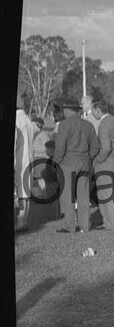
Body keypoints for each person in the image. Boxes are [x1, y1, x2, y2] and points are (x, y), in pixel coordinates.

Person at [52, 97, 99, 233]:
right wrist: (88, 159)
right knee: (84, 196)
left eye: (63, 110)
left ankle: (70, 226)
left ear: (67, 111)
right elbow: (96, 146)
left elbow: (60, 147)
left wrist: (56, 162)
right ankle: (85, 226)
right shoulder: (88, 125)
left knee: (68, 196)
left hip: (68, 163)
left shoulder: (64, 125)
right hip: (85, 163)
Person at [91, 100, 114, 230]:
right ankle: (110, 222)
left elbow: (106, 147)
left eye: (92, 110)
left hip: (107, 161)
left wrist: (98, 160)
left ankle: (110, 223)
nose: (92, 113)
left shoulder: (103, 124)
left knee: (105, 194)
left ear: (98, 110)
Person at [14, 94, 36, 231]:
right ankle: (24, 220)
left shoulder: (17, 120)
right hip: (29, 158)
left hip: (19, 160)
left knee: (20, 192)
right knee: (25, 192)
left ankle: (20, 222)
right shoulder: (27, 120)